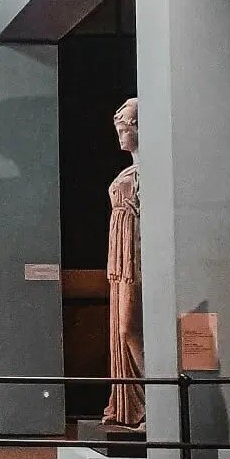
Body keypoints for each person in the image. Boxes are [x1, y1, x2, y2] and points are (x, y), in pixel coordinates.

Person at [102, 99, 145, 428]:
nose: (121, 135)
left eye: (125, 129)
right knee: (120, 331)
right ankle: (129, 406)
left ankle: (156, 402)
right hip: (119, 259)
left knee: (129, 329)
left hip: (136, 258)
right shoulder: (127, 173)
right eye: (118, 129)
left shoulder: (148, 174)